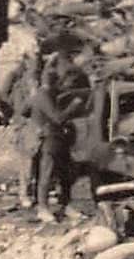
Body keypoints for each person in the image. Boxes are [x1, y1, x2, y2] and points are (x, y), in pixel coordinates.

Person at [31, 70, 84, 222]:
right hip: (50, 139)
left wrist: (36, 120)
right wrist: (73, 107)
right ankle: (43, 208)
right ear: (54, 82)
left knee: (65, 174)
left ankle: (65, 205)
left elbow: (24, 110)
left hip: (58, 138)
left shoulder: (41, 95)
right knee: (46, 174)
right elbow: (58, 118)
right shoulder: (44, 96)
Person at [9, 53, 43, 208]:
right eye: (33, 70)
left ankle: (35, 192)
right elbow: (21, 110)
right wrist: (34, 95)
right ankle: (24, 194)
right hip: (24, 128)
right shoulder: (20, 88)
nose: (35, 74)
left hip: (35, 128)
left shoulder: (39, 85)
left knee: (37, 163)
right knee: (26, 165)